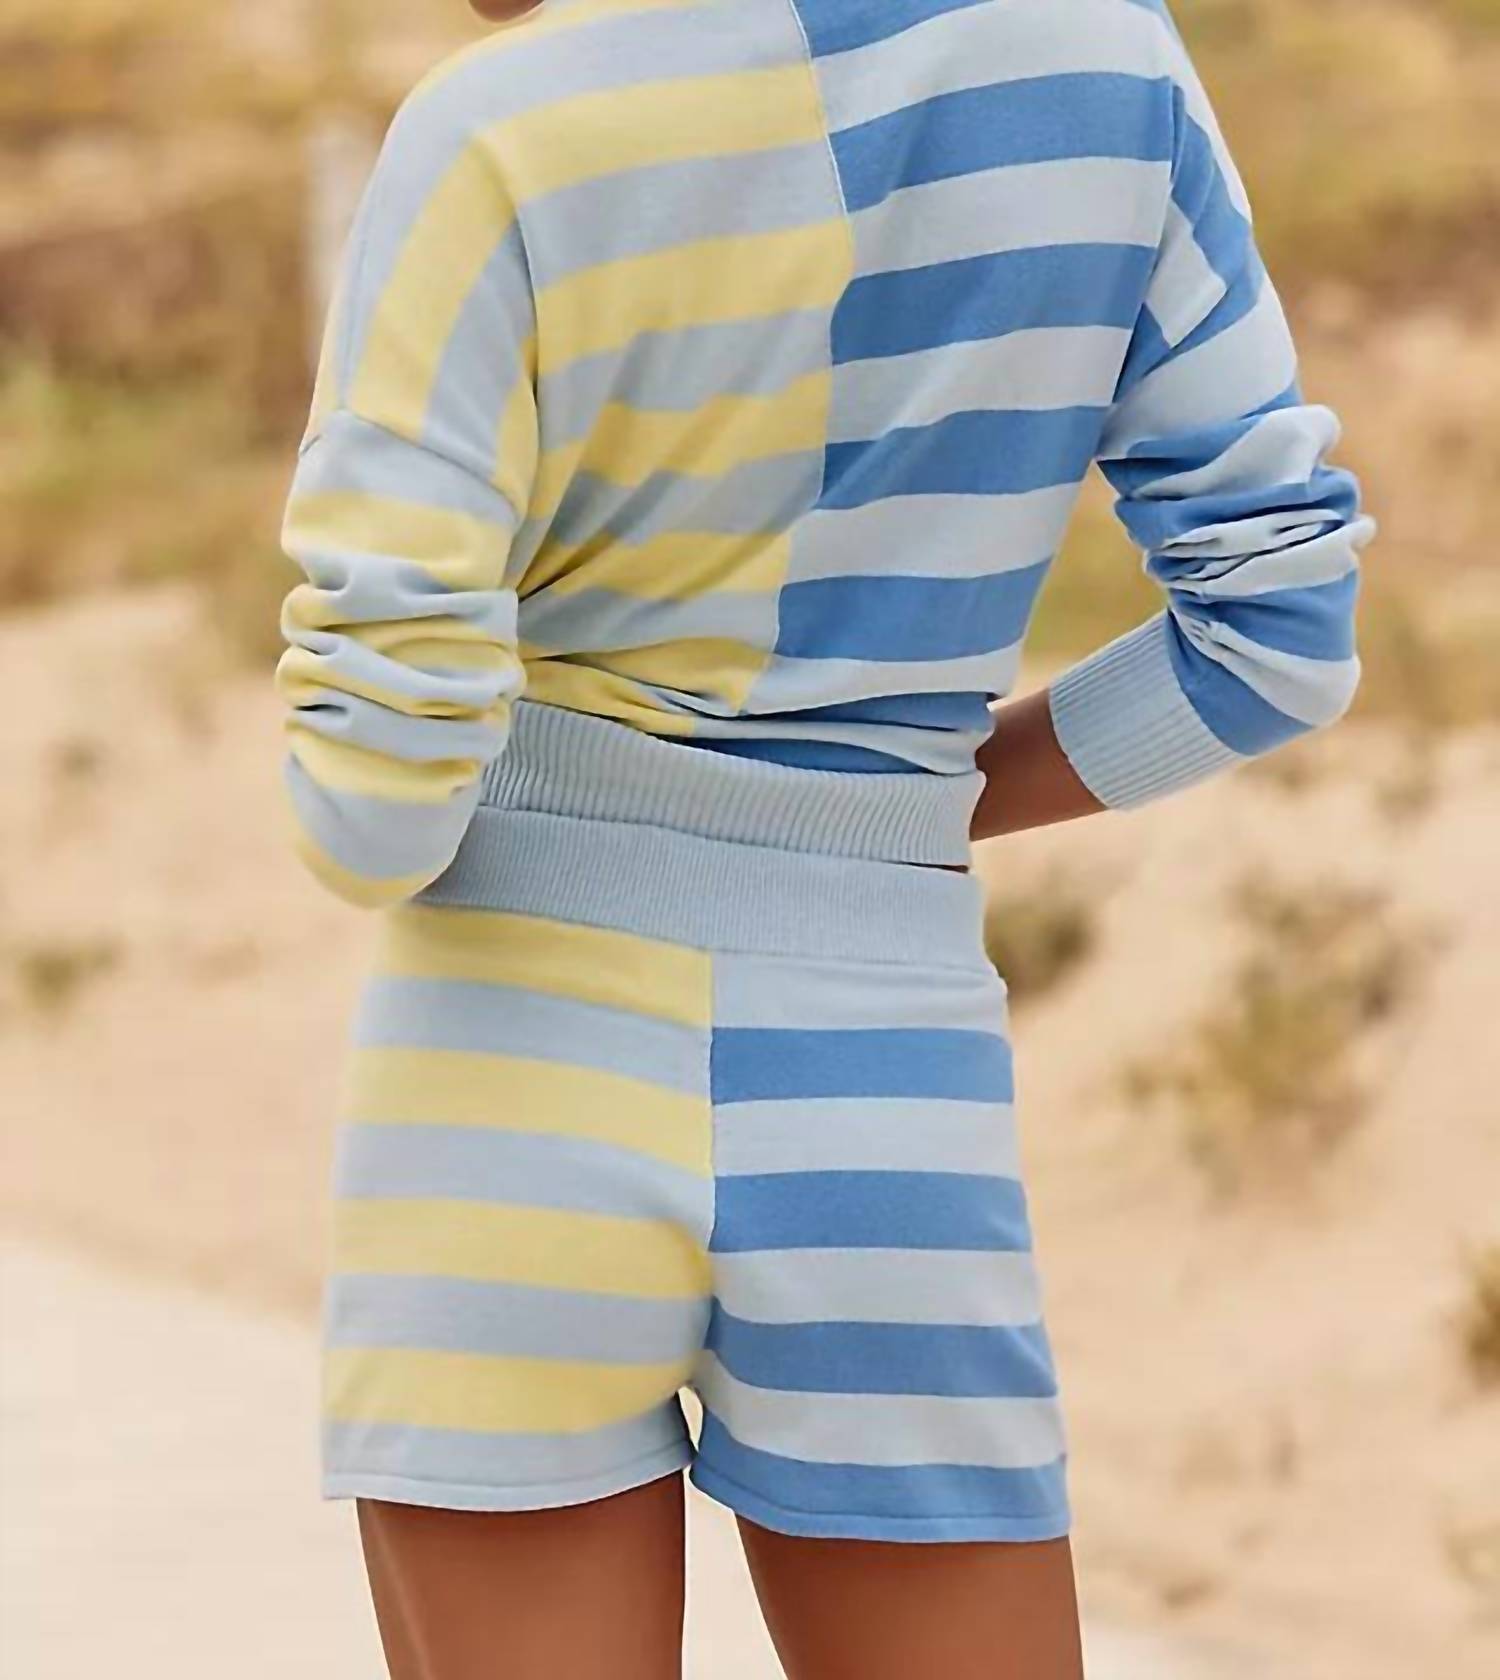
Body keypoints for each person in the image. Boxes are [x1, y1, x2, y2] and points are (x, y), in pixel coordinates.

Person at [273, 0, 1374, 1672]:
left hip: (509, 1079)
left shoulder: (493, 128)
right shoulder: (1106, 64)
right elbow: (1278, 636)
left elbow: (373, 802)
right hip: (888, 1097)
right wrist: (884, 813)